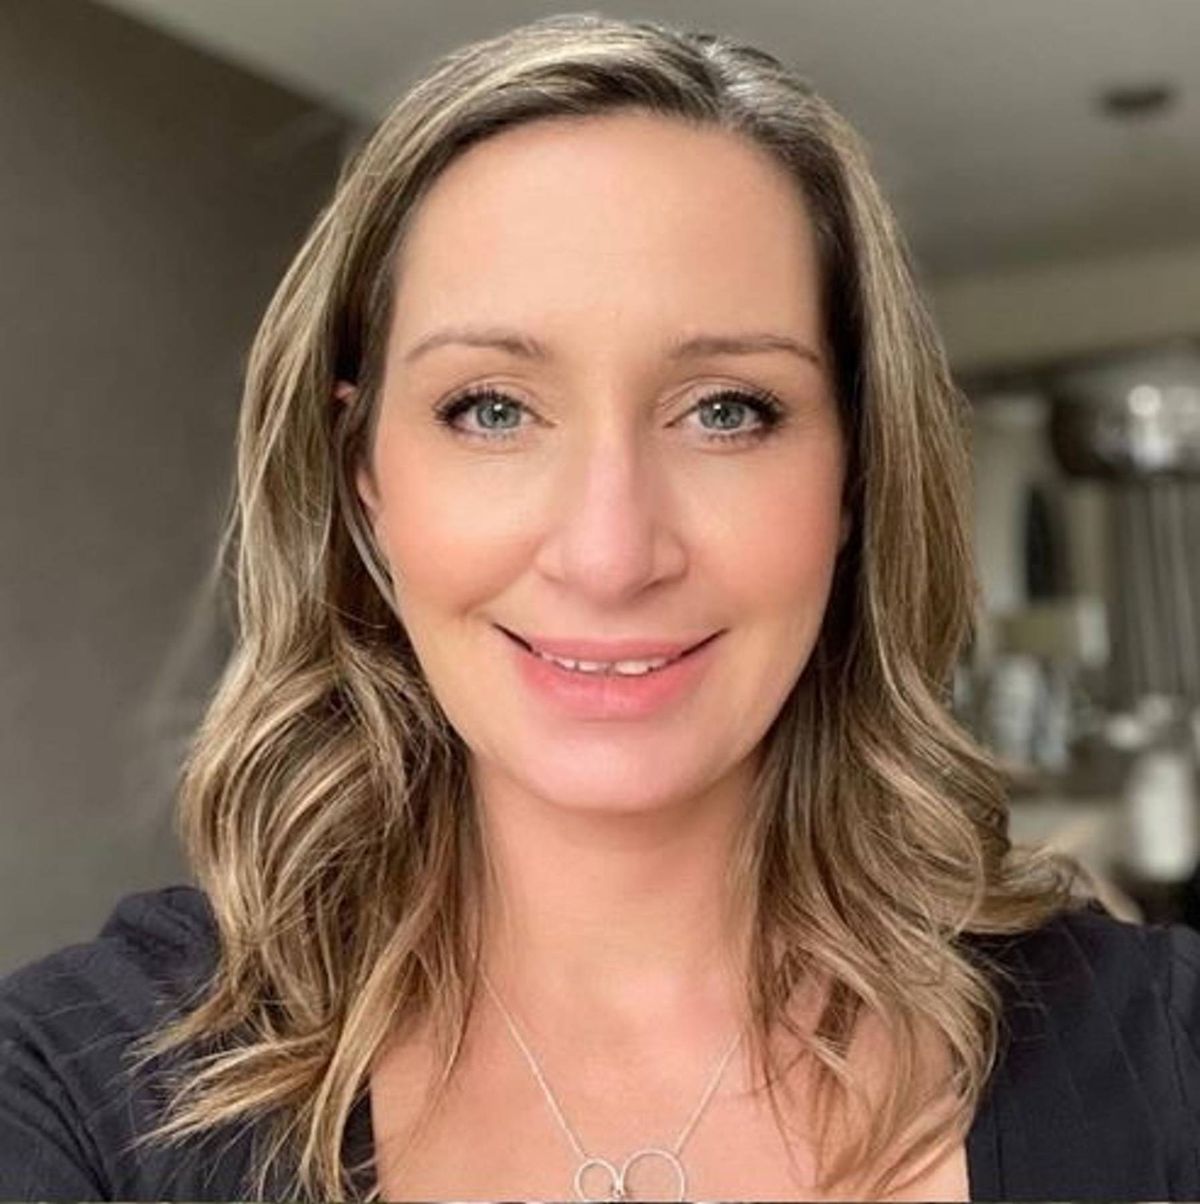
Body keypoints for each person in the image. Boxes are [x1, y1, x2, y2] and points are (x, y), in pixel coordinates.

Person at [2, 12, 1198, 1202]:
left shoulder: (1168, 1060)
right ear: (363, 476)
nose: (610, 552)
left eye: (727, 408)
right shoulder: (76, 1091)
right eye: (492, 408)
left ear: (856, 475)